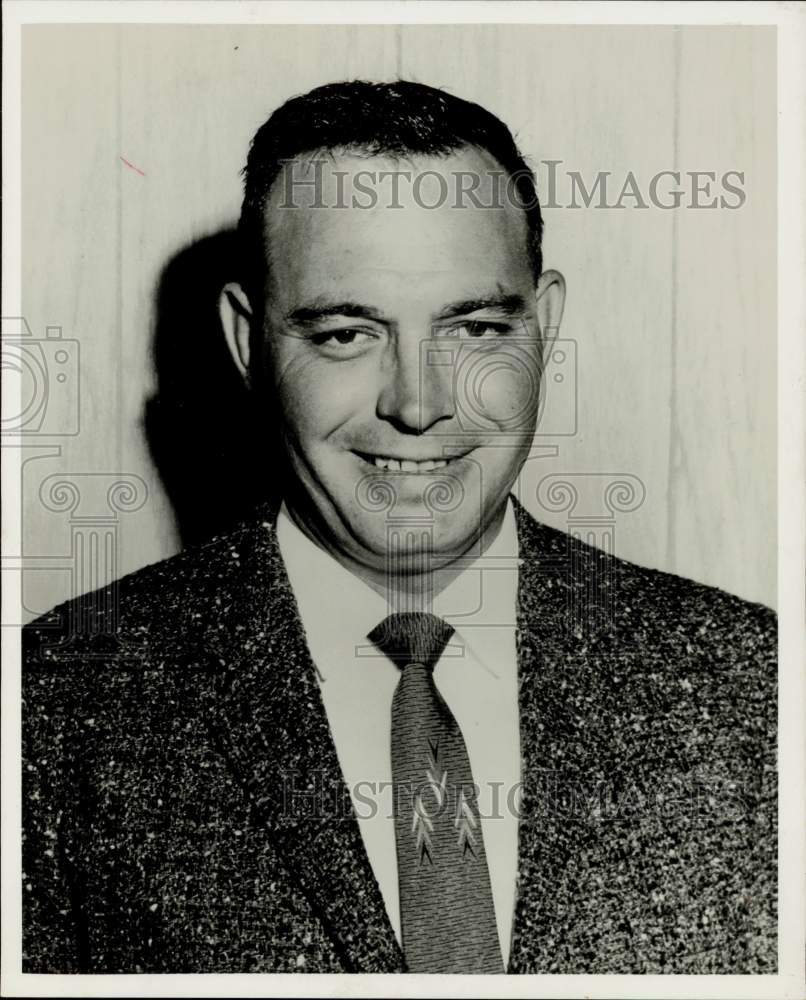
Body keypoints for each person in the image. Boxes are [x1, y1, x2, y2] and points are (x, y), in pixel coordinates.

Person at [22, 80, 776, 975]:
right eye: (345, 334)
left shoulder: (754, 689)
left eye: (477, 327)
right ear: (247, 341)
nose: (418, 404)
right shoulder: (55, 707)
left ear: (546, 330)